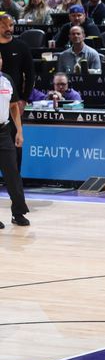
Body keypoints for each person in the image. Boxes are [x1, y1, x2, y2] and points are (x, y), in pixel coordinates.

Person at [0, 51, 29, 229]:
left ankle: (18, 213)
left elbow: (14, 107)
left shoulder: (7, 79)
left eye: (0, 57)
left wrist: (19, 131)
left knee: (13, 175)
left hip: (3, 131)